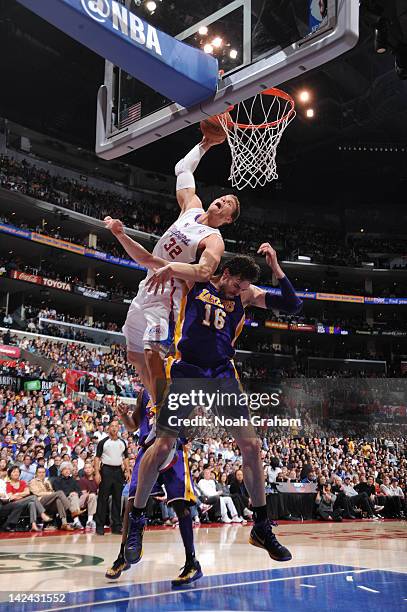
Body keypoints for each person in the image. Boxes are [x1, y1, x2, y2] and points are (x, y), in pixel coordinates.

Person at [123, 241, 302, 565]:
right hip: (188, 370)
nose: (239, 291)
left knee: (251, 446)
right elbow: (151, 260)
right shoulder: (198, 280)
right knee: (162, 447)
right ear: (226, 273)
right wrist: (161, 265)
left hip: (221, 374)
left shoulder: (246, 295)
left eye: (244, 287)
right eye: (236, 283)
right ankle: (137, 519)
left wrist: (276, 267)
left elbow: (293, 304)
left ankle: (261, 525)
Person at [104, 134, 240, 405]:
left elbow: (203, 272)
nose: (222, 202)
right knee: (134, 357)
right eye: (223, 198)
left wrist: (172, 268)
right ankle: (159, 406)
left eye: (228, 205)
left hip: (170, 292)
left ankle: (163, 414)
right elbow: (183, 168)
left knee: (153, 351)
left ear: (226, 219)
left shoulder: (214, 239)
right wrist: (205, 143)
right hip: (149, 282)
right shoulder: (191, 208)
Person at [106, 390, 202, 587]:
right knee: (132, 500)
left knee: (180, 505)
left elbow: (193, 427)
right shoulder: (145, 393)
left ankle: (192, 562)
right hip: (148, 449)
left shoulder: (180, 386)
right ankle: (124, 554)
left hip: (172, 448)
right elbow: (133, 425)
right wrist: (124, 415)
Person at [94, 420, 130, 535]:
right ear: (108, 428)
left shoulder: (123, 442)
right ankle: (99, 526)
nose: (114, 428)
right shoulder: (103, 442)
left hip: (118, 471)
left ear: (119, 428)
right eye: (112, 426)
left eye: (116, 426)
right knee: (102, 499)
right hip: (106, 470)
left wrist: (127, 471)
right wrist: (97, 473)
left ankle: (116, 526)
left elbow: (125, 458)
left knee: (117, 499)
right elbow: (97, 458)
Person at [5, 465, 52, 532]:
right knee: (33, 497)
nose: (16, 473)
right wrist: (22, 495)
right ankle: (42, 514)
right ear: (10, 474)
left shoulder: (23, 482)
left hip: (25, 503)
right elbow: (11, 497)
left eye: (17, 472)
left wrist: (18, 494)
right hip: (14, 504)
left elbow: (27, 492)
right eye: (14, 472)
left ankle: (33, 525)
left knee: (32, 503)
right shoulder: (8, 484)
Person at [29, 465, 74, 531]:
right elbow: (37, 493)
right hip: (40, 502)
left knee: (58, 500)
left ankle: (64, 523)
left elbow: (52, 491)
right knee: (60, 492)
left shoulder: (47, 482)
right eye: (40, 472)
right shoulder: (33, 481)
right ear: (36, 473)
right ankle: (72, 510)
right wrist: (50, 493)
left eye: (43, 472)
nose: (42, 474)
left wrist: (51, 493)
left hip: (49, 502)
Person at [77, 461, 98, 530]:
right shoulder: (82, 480)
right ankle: (89, 520)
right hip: (85, 500)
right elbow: (84, 494)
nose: (88, 469)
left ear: (93, 469)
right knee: (92, 496)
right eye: (86, 468)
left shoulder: (96, 479)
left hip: (96, 497)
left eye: (89, 467)